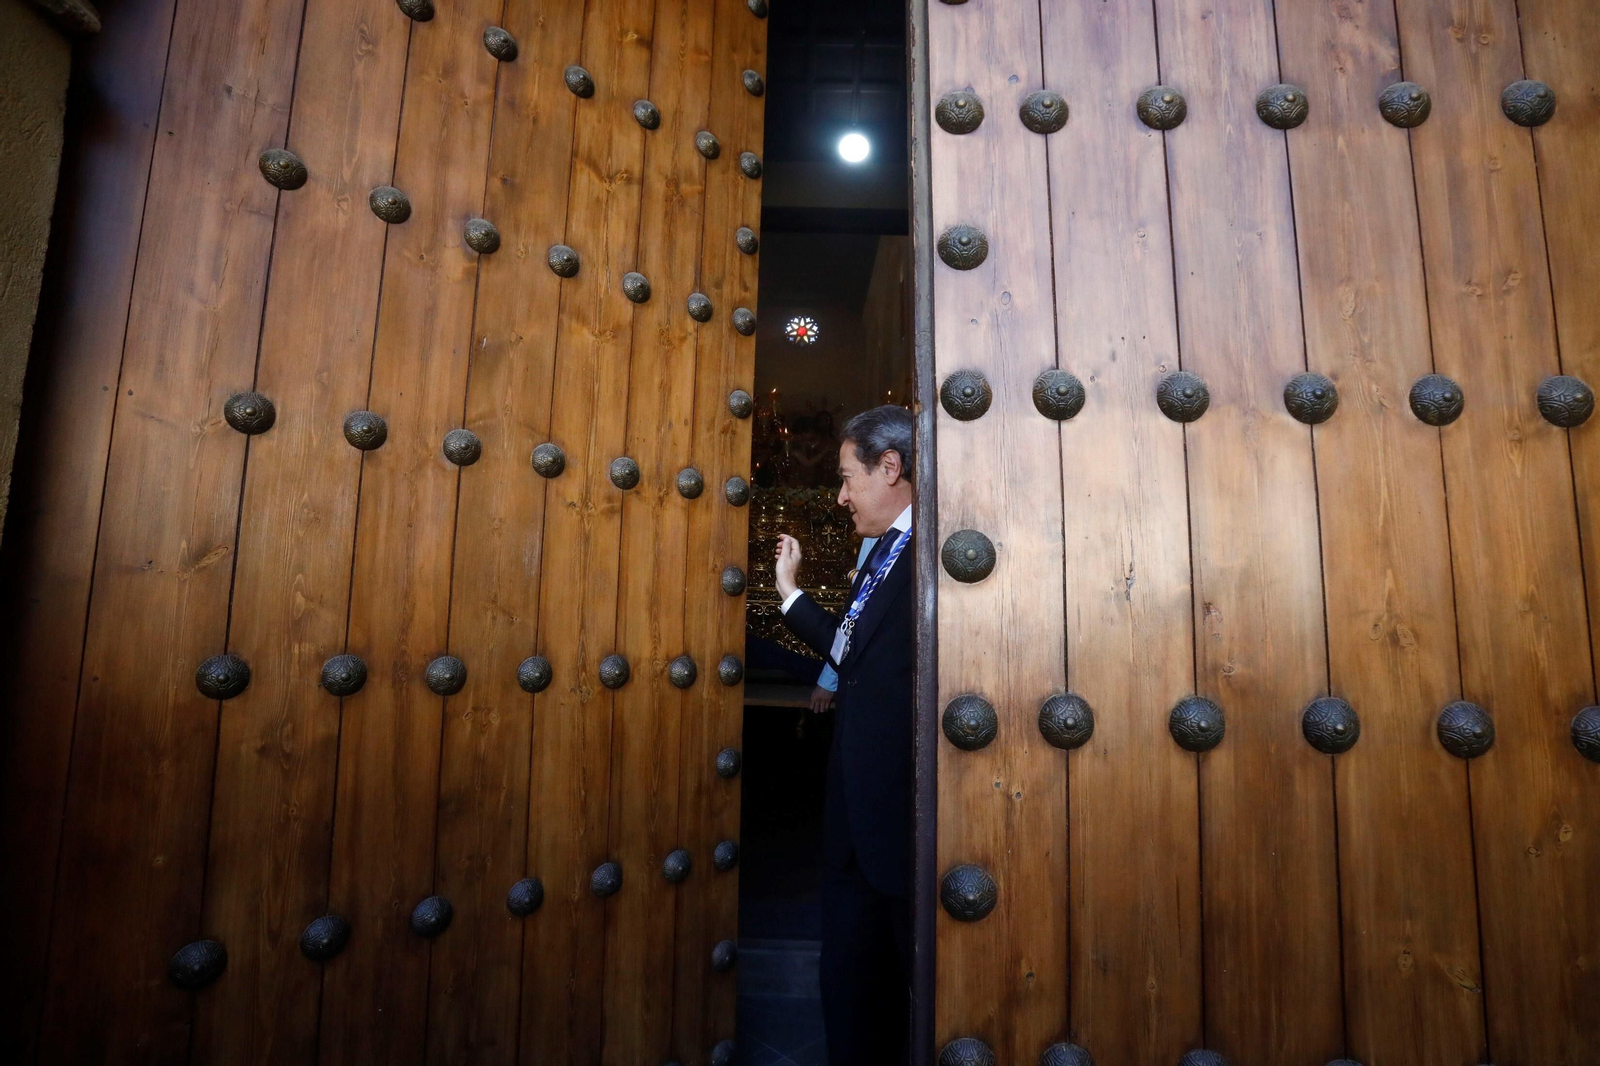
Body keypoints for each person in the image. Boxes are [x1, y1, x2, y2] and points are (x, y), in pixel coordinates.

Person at [774, 404, 915, 1064]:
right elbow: (852, 648)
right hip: (854, 830)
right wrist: (789, 594)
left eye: (845, 477)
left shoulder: (938, 554)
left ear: (890, 468)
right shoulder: (886, 548)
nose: (838, 495)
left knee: (894, 1002)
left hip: (897, 829)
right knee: (850, 993)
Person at [808, 533, 876, 713]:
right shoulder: (878, 531)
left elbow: (859, 613)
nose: (842, 502)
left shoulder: (882, 532)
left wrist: (828, 681)